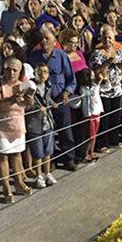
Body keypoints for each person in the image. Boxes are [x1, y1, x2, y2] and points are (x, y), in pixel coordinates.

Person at [28, 29, 78, 171]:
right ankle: (50, 161)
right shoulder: (33, 57)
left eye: (47, 38)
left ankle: (69, 158)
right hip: (41, 101)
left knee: (65, 129)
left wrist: (67, 92)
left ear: (54, 41)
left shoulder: (62, 56)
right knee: (46, 132)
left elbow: (71, 79)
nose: (44, 41)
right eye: (42, 38)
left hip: (60, 98)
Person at [0, 57, 33, 203]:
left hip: (17, 124)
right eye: (8, 69)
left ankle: (19, 182)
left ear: (20, 71)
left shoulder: (23, 85)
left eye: (15, 70)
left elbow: (27, 107)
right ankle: (6, 186)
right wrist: (11, 100)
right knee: (3, 157)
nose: (12, 72)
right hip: (0, 125)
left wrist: (30, 102)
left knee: (17, 155)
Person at [26, 64, 57, 189]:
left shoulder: (48, 86)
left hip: (47, 123)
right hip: (35, 124)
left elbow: (47, 99)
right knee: (38, 153)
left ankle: (47, 173)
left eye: (45, 72)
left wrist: (52, 103)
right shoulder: (30, 87)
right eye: (40, 72)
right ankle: (38, 175)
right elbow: (27, 104)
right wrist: (36, 108)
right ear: (35, 73)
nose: (43, 74)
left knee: (48, 151)